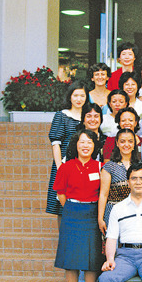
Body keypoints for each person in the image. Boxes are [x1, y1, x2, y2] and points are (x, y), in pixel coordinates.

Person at [53, 130, 103, 282]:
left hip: (92, 213)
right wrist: (73, 208)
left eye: (89, 142)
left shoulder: (100, 167)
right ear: (76, 144)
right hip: (72, 212)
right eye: (82, 142)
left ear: (94, 146)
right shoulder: (66, 166)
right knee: (71, 258)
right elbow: (60, 193)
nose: (85, 145)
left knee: (91, 258)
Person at [46, 81, 85, 221]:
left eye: (82, 95)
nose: (79, 99)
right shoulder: (61, 115)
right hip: (64, 164)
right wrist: (60, 168)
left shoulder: (88, 116)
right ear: (70, 97)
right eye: (75, 95)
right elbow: (55, 143)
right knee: (61, 205)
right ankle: (64, 239)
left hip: (83, 165)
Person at [98, 128, 141, 238]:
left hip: (135, 213)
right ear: (117, 143)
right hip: (112, 213)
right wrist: (100, 218)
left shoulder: (140, 165)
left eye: (130, 141)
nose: (126, 145)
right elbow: (103, 194)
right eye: (122, 141)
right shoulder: (109, 167)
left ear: (135, 143)